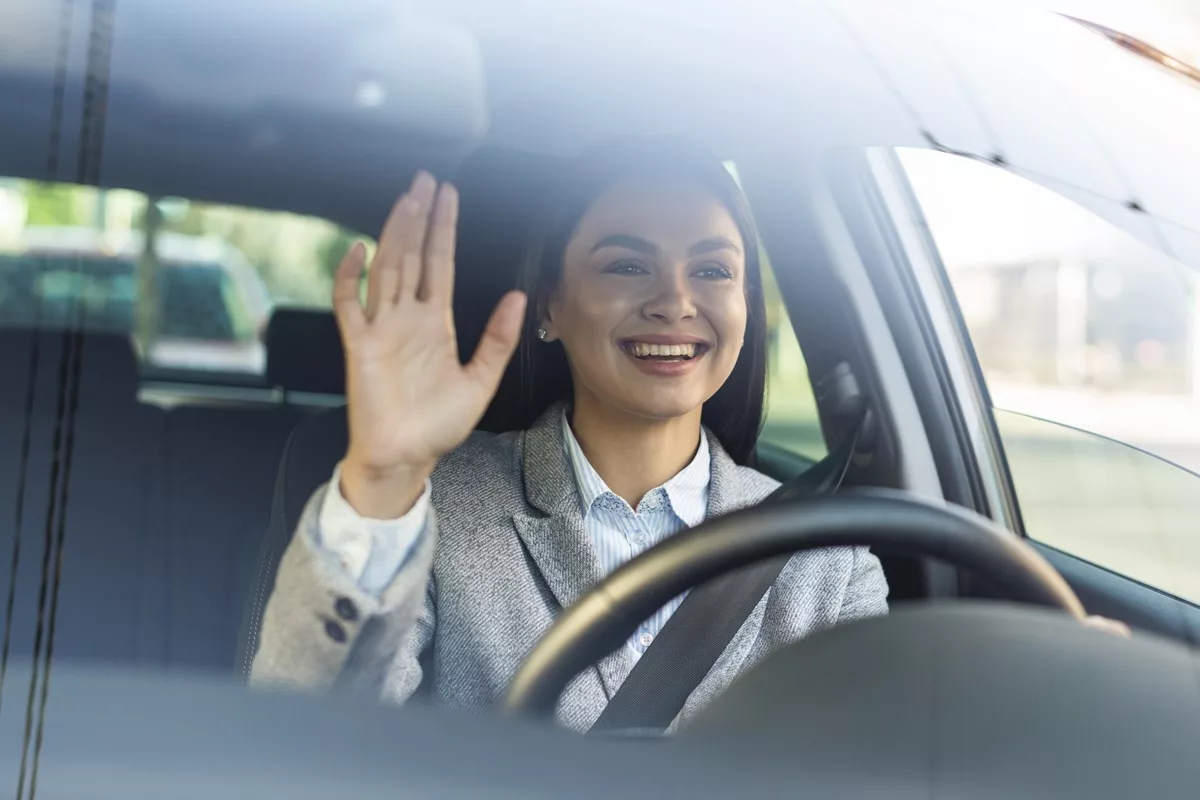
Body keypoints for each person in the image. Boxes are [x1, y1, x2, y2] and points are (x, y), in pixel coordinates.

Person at [249, 142, 891, 732]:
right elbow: (306, 738)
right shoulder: (437, 508)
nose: (675, 301)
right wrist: (383, 480)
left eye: (713, 272)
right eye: (629, 265)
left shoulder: (826, 555)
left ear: (746, 308)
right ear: (550, 305)